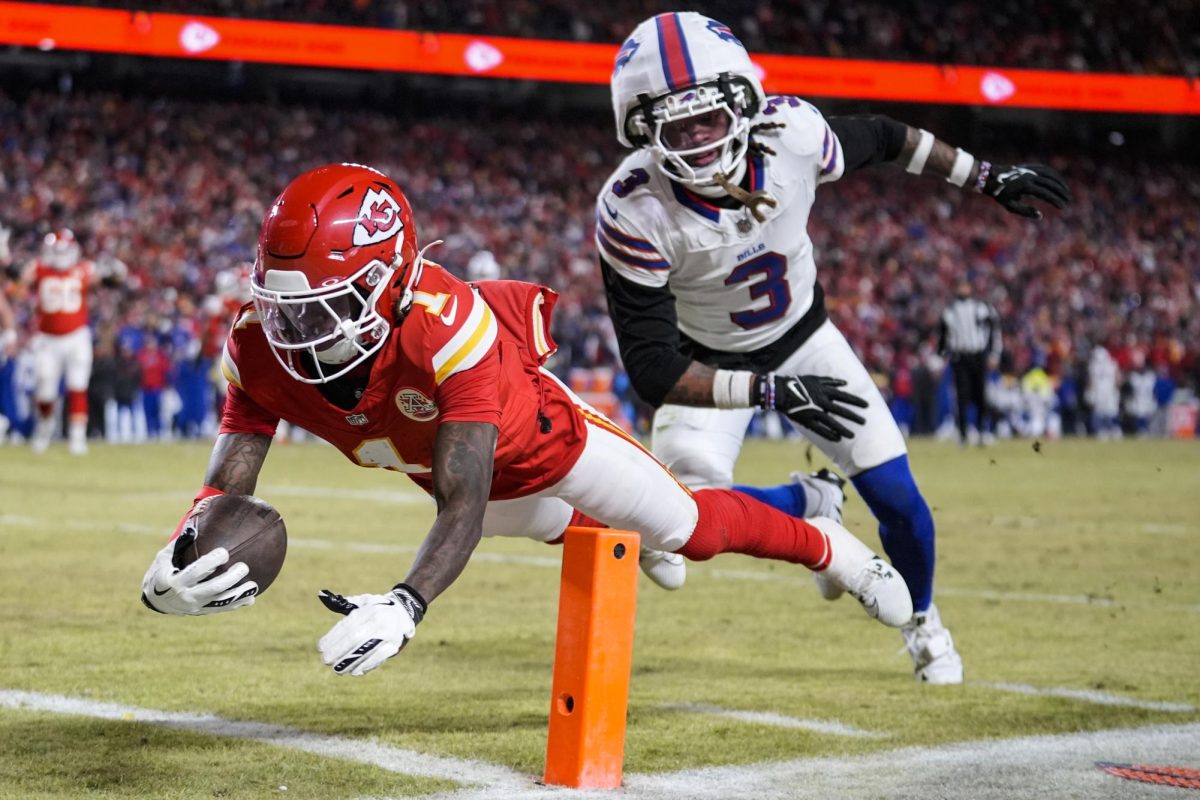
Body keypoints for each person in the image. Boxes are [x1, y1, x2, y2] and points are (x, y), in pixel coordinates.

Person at [138, 164, 913, 678]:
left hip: (548, 449)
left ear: (390, 285)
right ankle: (721, 519)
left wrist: (406, 603)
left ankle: (830, 546)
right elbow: (231, 473)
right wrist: (185, 546)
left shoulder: (446, 325)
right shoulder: (258, 344)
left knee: (692, 532)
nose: (296, 335)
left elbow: (463, 499)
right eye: (285, 309)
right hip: (462, 481)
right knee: (609, 534)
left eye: (326, 310)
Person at [597, 12, 1070, 683]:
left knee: (900, 499)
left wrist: (985, 176)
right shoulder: (632, 208)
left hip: (806, 341)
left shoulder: (792, 134)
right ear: (644, 131)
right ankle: (809, 505)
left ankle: (922, 621)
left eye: (709, 118)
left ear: (743, 100)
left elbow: (887, 138)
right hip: (708, 358)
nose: (699, 141)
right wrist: (763, 391)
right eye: (677, 126)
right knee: (678, 530)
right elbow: (650, 369)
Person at [938, 280, 1003, 446]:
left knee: (981, 395)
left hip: (977, 356)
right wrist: (942, 357)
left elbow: (994, 330)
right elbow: (943, 337)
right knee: (961, 396)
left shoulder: (982, 308)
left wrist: (994, 353)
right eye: (960, 286)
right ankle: (963, 433)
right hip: (960, 357)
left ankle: (983, 430)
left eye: (965, 286)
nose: (963, 289)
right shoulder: (950, 311)